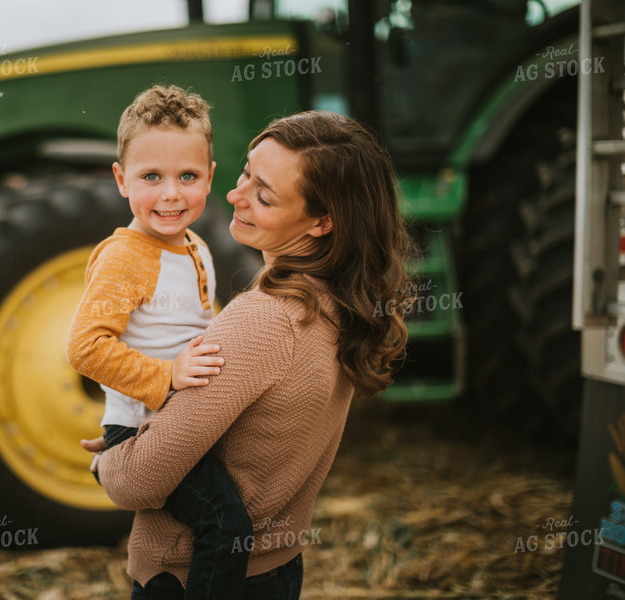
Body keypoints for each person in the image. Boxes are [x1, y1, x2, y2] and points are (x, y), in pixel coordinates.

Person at [95, 111, 415, 599]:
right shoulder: (342, 306)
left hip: (189, 577)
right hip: (276, 570)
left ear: (322, 222)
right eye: (246, 172)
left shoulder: (264, 321)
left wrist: (111, 458)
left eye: (263, 195)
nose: (234, 194)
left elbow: (138, 480)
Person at [66, 85, 253, 599]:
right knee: (225, 525)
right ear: (121, 179)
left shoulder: (194, 243)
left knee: (194, 534)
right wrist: (163, 379)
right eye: (152, 177)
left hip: (178, 422)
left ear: (210, 177)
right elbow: (85, 346)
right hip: (148, 430)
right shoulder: (127, 257)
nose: (171, 194)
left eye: (187, 177)